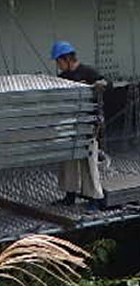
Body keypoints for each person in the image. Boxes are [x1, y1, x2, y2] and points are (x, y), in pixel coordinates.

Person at [51, 41, 107, 205]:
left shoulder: (88, 72)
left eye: (58, 61)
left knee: (88, 162)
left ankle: (95, 199)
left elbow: (106, 82)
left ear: (67, 58)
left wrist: (101, 84)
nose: (58, 65)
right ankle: (70, 196)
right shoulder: (62, 78)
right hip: (69, 124)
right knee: (68, 161)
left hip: (88, 123)